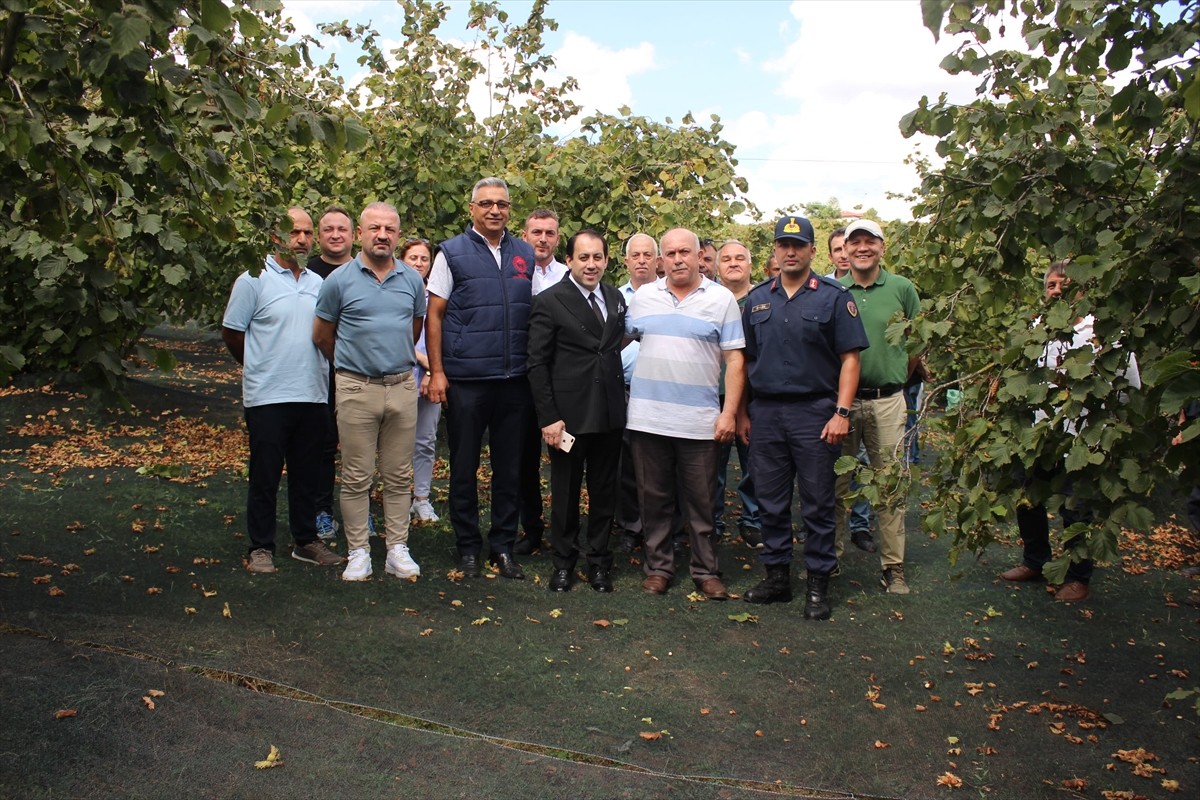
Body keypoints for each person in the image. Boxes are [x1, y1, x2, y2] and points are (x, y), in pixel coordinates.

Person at [738, 215, 868, 619]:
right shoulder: (757, 300)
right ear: (774, 251)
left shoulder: (832, 297)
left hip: (816, 413)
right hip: (767, 413)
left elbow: (850, 359)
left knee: (817, 502)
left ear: (813, 251)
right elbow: (742, 361)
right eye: (783, 245)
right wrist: (741, 412)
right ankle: (777, 578)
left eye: (798, 245)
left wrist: (841, 412)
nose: (790, 252)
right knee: (771, 502)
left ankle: (818, 583)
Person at [999, 260, 1141, 602]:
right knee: (1028, 500)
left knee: (1076, 509)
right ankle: (1036, 561)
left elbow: (1128, 386)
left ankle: (1078, 576)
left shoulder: (1104, 333)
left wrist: (1108, 429)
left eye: (1065, 284)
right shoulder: (1037, 328)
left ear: (1083, 291)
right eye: (1051, 285)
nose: (1057, 290)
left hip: (1083, 438)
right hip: (1040, 435)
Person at [221, 207, 344, 573]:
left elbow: (326, 334)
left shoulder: (318, 284)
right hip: (268, 396)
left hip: (312, 394)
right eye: (295, 232)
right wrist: (259, 364)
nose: (302, 239)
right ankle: (260, 547)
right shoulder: (253, 279)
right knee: (265, 475)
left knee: (308, 475)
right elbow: (232, 332)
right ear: (275, 236)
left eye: (307, 233)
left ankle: (305, 541)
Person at [425, 177, 536, 580]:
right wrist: (438, 371)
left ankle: (503, 547)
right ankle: (468, 546)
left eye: (502, 204)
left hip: (514, 381)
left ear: (510, 209)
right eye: (486, 203)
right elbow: (434, 314)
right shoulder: (450, 253)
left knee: (510, 469)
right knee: (463, 467)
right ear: (471, 208)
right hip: (468, 380)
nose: (495, 210)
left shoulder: (525, 253)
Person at [626, 228, 745, 599]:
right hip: (648, 419)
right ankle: (659, 568)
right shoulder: (644, 297)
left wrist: (729, 413)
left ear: (698, 256)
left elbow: (735, 359)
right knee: (654, 499)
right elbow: (620, 341)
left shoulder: (721, 299)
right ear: (661, 260)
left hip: (700, 422)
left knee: (702, 502)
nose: (678, 259)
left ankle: (705, 571)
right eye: (671, 253)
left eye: (685, 252)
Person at [313, 202, 426, 582]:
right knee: (358, 476)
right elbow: (322, 335)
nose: (382, 235)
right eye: (374, 228)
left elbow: (412, 330)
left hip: (400, 386)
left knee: (397, 475)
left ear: (398, 234)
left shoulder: (411, 279)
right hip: (356, 388)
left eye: (390, 229)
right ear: (360, 234)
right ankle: (358, 551)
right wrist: (352, 366)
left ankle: (396, 549)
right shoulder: (339, 281)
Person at [527, 230, 627, 592]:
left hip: (610, 413)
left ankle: (599, 562)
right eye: (583, 257)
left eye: (597, 257)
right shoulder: (550, 300)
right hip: (567, 418)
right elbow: (537, 364)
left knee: (604, 492)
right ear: (568, 260)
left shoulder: (616, 298)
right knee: (566, 494)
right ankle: (564, 563)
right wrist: (548, 417)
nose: (591, 264)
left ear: (606, 260)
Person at [835, 219, 922, 594]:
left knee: (890, 486)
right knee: (835, 483)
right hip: (842, 402)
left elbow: (918, 341)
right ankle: (830, 558)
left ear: (882, 248)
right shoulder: (834, 290)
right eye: (855, 242)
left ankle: (893, 567)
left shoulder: (902, 288)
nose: (862, 248)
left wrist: (899, 379)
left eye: (870, 241)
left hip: (887, 400)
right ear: (846, 249)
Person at [512, 209, 563, 554]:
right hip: (520, 378)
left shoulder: (569, 275)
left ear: (558, 238)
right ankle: (532, 530)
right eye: (536, 232)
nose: (542, 239)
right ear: (524, 235)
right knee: (523, 459)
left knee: (566, 457)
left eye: (549, 233)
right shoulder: (514, 273)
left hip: (562, 380)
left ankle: (565, 531)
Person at [306, 206, 357, 541]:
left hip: (361, 374)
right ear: (318, 237)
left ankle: (359, 515)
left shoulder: (367, 270)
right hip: (317, 374)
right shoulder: (307, 274)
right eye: (328, 229)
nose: (336, 234)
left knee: (360, 447)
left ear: (354, 235)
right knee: (322, 445)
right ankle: (321, 511)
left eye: (342, 229)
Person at [713, 240, 763, 548]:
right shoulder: (710, 300)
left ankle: (753, 520)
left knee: (754, 463)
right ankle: (713, 521)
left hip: (756, 398)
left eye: (740, 258)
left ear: (750, 264)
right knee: (711, 468)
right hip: (713, 394)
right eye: (727, 259)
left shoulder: (763, 300)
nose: (733, 263)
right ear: (717, 267)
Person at [615, 233, 659, 553]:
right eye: (636, 255)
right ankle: (631, 526)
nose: (641, 260)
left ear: (658, 260)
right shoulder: (614, 298)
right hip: (624, 390)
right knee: (625, 465)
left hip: (660, 392)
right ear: (627, 261)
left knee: (661, 464)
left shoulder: (668, 294)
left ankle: (664, 526)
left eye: (648, 254)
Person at [401, 237, 441, 524]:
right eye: (413, 257)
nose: (419, 263)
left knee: (426, 440)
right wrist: (426, 364)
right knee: (397, 443)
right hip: (402, 376)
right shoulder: (395, 291)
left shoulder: (437, 296)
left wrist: (431, 372)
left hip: (430, 378)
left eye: (424, 259)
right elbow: (397, 336)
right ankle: (399, 498)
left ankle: (422, 498)